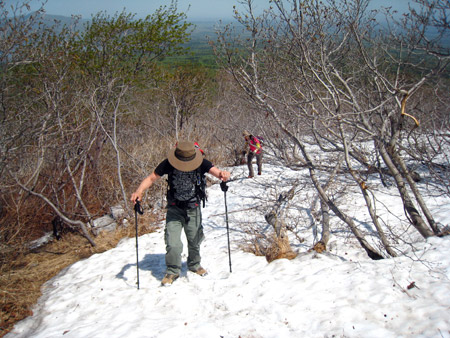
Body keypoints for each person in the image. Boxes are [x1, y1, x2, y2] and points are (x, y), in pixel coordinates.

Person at [130, 140, 230, 286]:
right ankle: (172, 270)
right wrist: (139, 191)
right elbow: (151, 178)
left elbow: (216, 172)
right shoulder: (169, 163)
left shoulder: (201, 162)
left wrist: (222, 173)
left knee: (194, 240)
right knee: (173, 243)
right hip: (174, 209)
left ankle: (194, 265)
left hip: (193, 208)